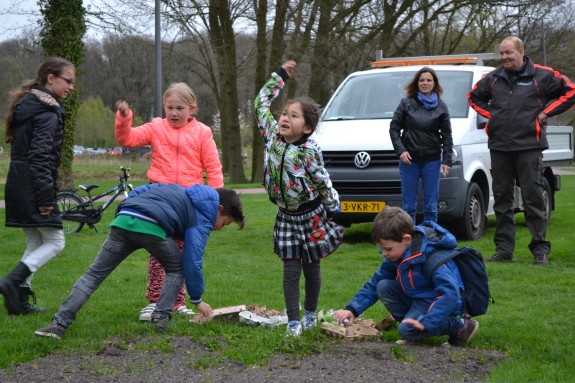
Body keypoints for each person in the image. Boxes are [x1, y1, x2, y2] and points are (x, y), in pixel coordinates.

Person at [34, 184, 244, 339]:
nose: (219, 228)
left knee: (93, 275)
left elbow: (139, 191)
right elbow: (193, 261)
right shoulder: (204, 216)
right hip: (152, 226)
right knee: (177, 268)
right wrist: (197, 299)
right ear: (219, 209)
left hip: (124, 220)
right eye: (224, 223)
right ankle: (160, 319)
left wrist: (125, 211)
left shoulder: (181, 190)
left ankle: (58, 325)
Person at [115, 82, 224, 320]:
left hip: (187, 202)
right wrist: (124, 118)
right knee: (159, 251)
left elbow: (213, 168)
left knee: (183, 252)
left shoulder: (203, 132)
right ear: (164, 106)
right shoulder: (156, 127)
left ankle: (177, 301)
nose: (174, 113)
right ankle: (155, 301)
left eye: (180, 108)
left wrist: (215, 201)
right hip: (159, 202)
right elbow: (128, 138)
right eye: (170, 107)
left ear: (192, 109)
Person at [254, 60, 344, 336]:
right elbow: (260, 102)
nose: (284, 118)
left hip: (312, 214)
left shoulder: (309, 150)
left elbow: (322, 179)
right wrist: (280, 76)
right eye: (283, 113)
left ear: (306, 128)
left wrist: (334, 208)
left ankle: (309, 314)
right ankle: (293, 321)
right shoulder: (271, 136)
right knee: (290, 269)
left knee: (311, 266)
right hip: (286, 215)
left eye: (293, 116)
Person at [468, 36, 575, 266]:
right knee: (502, 202)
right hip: (499, 147)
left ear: (521, 51)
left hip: (529, 146)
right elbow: (473, 97)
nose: (505, 57)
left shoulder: (542, 75)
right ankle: (504, 251)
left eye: (509, 53)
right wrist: (492, 116)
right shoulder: (493, 78)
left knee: (532, 197)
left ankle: (540, 251)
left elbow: (571, 91)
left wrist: (546, 113)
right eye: (502, 53)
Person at [332, 206, 479, 346]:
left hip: (439, 302)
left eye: (387, 248)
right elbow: (374, 283)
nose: (384, 253)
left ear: (406, 240)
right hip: (419, 299)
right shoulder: (397, 256)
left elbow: (450, 293)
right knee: (383, 286)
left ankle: (462, 326)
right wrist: (352, 309)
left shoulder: (430, 258)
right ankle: (413, 331)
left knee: (405, 329)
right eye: (381, 248)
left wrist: (426, 322)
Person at [0, 57, 75, 315]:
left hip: (19, 182)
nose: (71, 86)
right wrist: (45, 198)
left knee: (35, 243)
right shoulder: (46, 113)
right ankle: (11, 281)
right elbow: (40, 157)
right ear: (50, 78)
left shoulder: (29, 105)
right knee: (56, 242)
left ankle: (17, 302)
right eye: (68, 80)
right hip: (34, 185)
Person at [389, 67, 453, 225]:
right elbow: (394, 128)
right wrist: (401, 151)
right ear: (417, 83)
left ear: (434, 83)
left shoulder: (441, 106)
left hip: (432, 161)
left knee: (431, 206)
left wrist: (447, 160)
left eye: (429, 80)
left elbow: (447, 135)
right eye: (422, 80)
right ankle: (409, 240)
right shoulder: (406, 103)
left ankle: (431, 238)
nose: (425, 83)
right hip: (409, 161)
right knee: (409, 206)